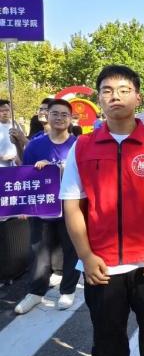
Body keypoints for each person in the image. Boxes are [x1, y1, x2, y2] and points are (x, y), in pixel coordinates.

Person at [60, 65, 144, 356]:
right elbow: (72, 205)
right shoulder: (82, 147)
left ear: (137, 97)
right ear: (99, 98)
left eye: (124, 90)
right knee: (108, 343)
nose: (115, 97)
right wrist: (86, 256)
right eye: (108, 91)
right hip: (101, 266)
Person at [14, 99, 80, 314]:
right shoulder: (34, 145)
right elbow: (25, 177)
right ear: (47, 116)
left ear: (71, 118)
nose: (59, 118)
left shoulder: (79, 145)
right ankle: (35, 292)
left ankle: (68, 290)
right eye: (55, 113)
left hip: (70, 207)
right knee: (38, 250)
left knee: (71, 249)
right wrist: (23, 206)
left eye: (64, 114)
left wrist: (59, 169)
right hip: (41, 208)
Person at [0, 100, 17, 167]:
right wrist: (4, 158)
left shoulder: (15, 124)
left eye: (7, 110)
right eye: (1, 111)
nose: (5, 113)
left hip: (15, 166)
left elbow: (22, 143)